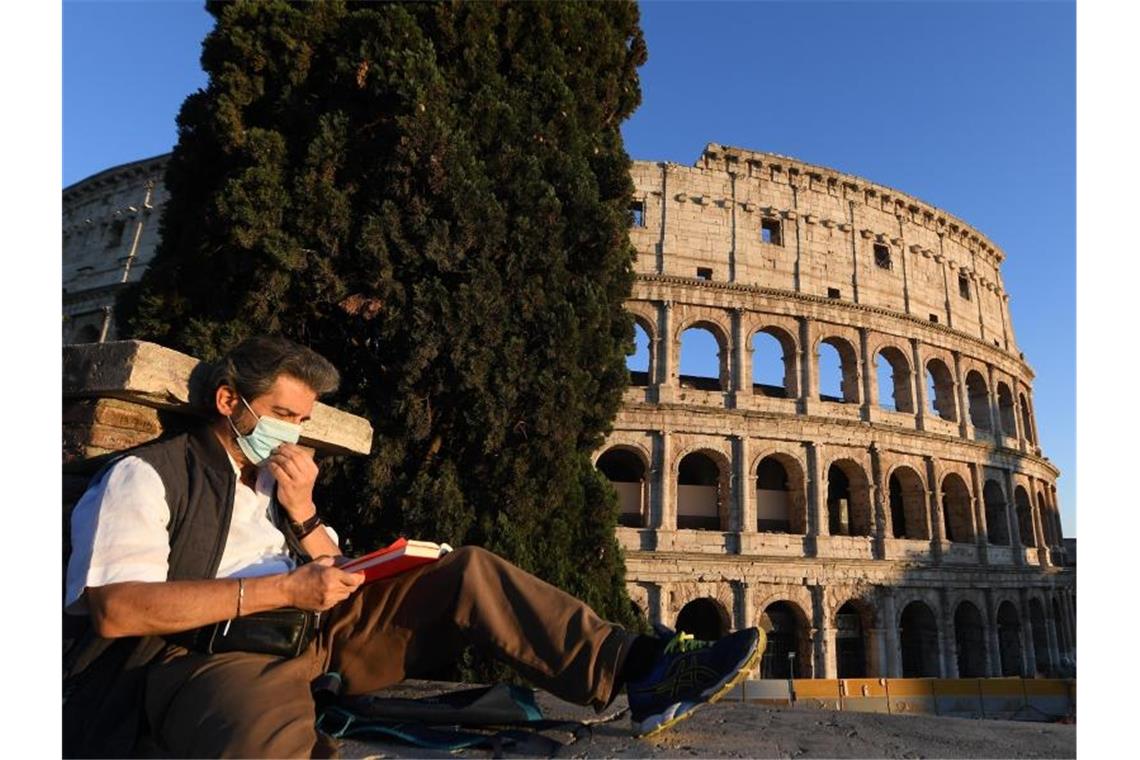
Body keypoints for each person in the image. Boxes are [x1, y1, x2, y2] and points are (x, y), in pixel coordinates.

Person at [63, 335, 763, 757]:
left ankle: (639, 671)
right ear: (228, 403)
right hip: (209, 657)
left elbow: (323, 571)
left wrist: (306, 517)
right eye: (281, 416)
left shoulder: (274, 481)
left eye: (302, 421)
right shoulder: (147, 475)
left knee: (467, 572)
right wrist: (283, 591)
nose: (294, 435)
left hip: (315, 631)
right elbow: (117, 609)